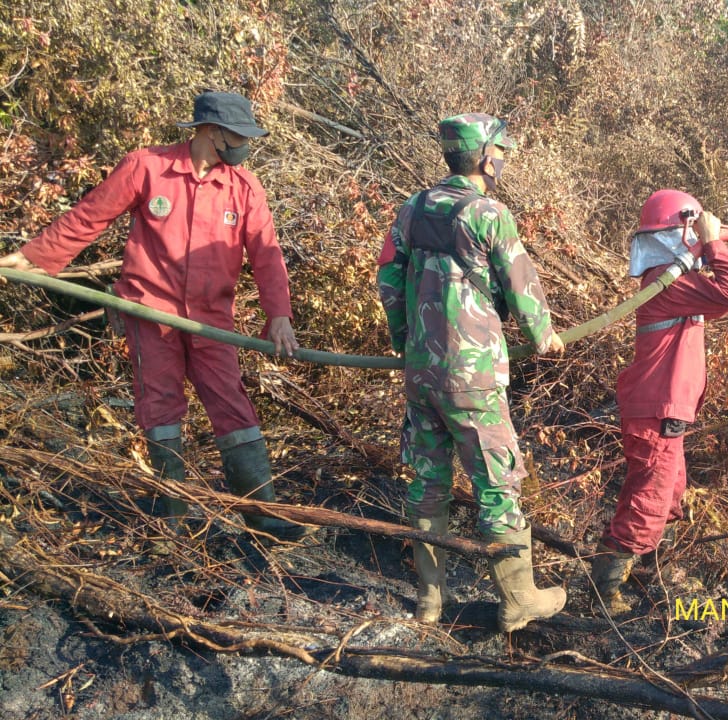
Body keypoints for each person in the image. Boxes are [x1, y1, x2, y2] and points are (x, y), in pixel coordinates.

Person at [0, 91, 305, 540]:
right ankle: (173, 522)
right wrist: (34, 257)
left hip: (210, 321)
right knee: (160, 409)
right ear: (209, 131)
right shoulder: (148, 167)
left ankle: (264, 516)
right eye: (237, 135)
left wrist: (279, 314)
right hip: (149, 313)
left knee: (233, 407)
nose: (244, 145)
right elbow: (90, 216)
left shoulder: (244, 188)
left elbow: (267, 255)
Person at [377, 113, 567, 630]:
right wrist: (542, 335)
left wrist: (407, 344)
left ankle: (429, 603)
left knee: (428, 483)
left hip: (422, 375)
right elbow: (521, 285)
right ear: (486, 157)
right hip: (474, 375)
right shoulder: (489, 213)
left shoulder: (412, 209)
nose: (503, 158)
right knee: (497, 485)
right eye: (500, 151)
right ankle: (518, 598)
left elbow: (389, 281)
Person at [590, 189, 728, 614]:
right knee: (648, 501)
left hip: (665, 411)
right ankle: (603, 596)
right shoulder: (664, 282)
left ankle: (649, 574)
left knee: (669, 496)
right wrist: (713, 243)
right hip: (657, 412)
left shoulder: (679, 283)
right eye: (693, 229)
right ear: (681, 233)